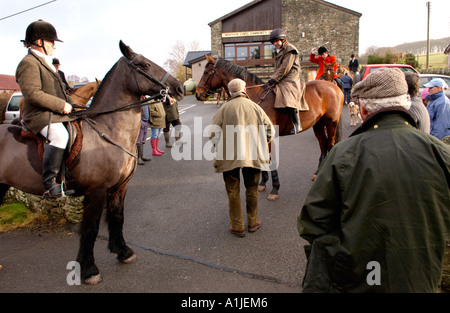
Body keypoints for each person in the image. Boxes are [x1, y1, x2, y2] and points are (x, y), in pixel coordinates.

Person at [297, 68, 450, 292]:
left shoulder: (344, 153)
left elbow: (312, 222)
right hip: (422, 280)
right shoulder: (440, 152)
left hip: (362, 279)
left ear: (364, 108)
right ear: (406, 103)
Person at [16, 20, 75, 198]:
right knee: (60, 135)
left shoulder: (46, 62)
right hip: (37, 115)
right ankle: (50, 185)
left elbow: (58, 92)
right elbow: (33, 93)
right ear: (39, 42)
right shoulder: (28, 63)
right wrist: (61, 105)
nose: (54, 47)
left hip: (51, 112)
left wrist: (72, 104)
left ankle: (68, 177)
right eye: (51, 42)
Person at [209, 79, 274, 237]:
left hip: (229, 156)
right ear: (244, 89)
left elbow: (213, 134)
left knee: (233, 191)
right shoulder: (256, 107)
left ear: (230, 92)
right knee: (252, 189)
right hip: (253, 155)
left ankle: (237, 226)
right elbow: (270, 131)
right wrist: (261, 143)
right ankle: (252, 222)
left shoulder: (224, 109)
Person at [268, 28, 308, 134]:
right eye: (274, 42)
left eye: (277, 41)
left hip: (291, 77)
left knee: (287, 93)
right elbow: (278, 68)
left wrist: (274, 78)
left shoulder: (290, 49)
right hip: (282, 77)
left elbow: (285, 67)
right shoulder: (280, 51)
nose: (275, 43)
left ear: (283, 39)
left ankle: (297, 124)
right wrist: (272, 79)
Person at [137, 96, 152, 165]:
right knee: (139, 141)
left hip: (146, 121)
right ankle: (138, 158)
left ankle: (142, 156)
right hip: (141, 122)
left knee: (143, 140)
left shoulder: (145, 99)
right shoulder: (139, 100)